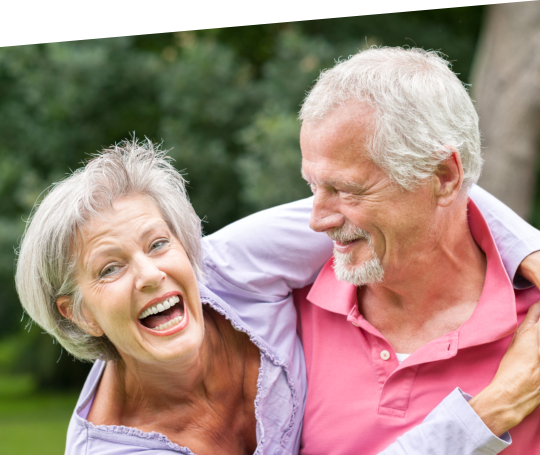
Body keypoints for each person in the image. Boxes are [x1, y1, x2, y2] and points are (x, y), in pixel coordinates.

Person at [17, 139, 540, 455]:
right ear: (80, 313)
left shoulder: (228, 268)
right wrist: (490, 411)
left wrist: (530, 255)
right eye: (110, 268)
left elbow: (411, 195)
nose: (151, 275)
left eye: (158, 244)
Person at [202, 47, 540, 454]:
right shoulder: (278, 309)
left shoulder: (531, 334)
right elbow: (195, 265)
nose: (317, 221)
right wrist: (489, 412)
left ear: (445, 176)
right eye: (314, 186)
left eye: (344, 190)